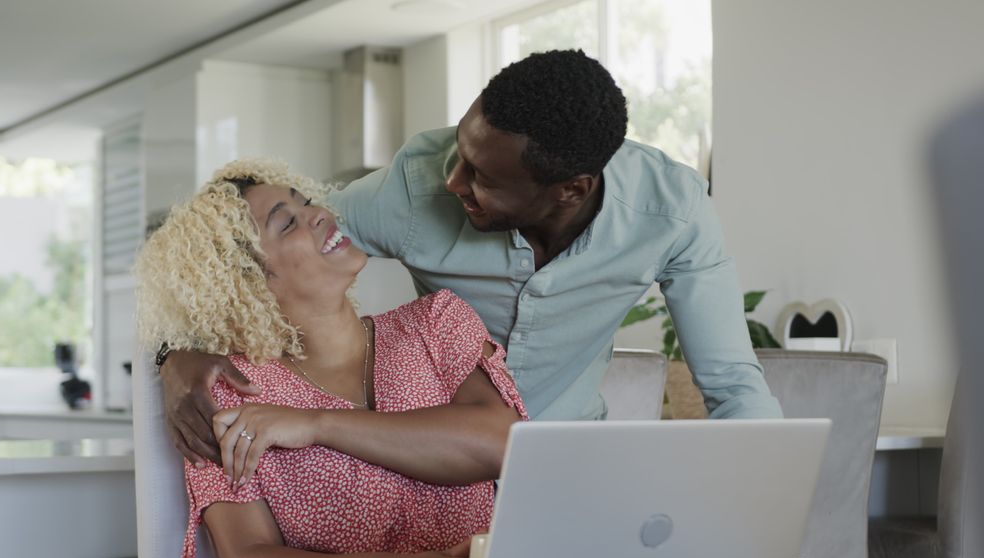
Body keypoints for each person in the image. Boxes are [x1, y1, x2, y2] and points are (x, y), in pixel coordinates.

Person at [159, 48, 782, 467]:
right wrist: (174, 355)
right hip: (435, 466)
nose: (452, 181)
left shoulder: (673, 214)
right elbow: (247, 260)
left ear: (570, 190)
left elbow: (733, 385)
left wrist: (774, 522)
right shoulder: (414, 190)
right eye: (460, 151)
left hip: (569, 464)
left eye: (482, 177)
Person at [134, 158, 527, 558]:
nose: (319, 214)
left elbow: (502, 444)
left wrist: (317, 424)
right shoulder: (231, 392)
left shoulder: (436, 321)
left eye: (306, 203)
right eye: (287, 223)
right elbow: (247, 557)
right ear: (247, 281)